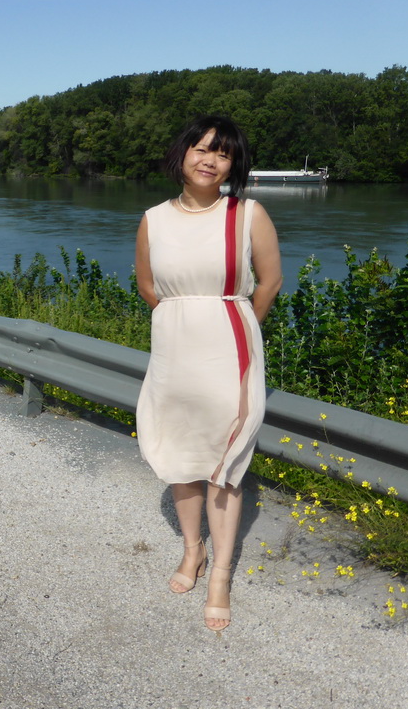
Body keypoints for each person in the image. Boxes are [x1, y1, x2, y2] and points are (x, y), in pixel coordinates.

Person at [134, 115, 282, 632]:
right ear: (183, 154)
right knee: (181, 451)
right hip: (173, 350)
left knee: (226, 457)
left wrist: (233, 324)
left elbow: (269, 282)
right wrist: (183, 318)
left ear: (233, 165)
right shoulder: (154, 218)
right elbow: (149, 286)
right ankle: (192, 550)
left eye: (222, 154)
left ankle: (220, 573)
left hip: (229, 346)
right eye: (201, 149)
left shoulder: (247, 214)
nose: (210, 160)